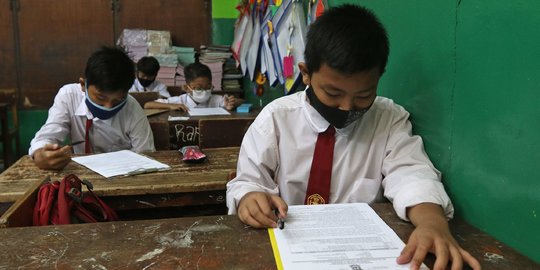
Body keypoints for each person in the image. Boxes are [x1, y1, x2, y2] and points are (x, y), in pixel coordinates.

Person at [226, 4, 481, 270]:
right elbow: (248, 181)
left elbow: (412, 174)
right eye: (333, 94)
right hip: (284, 249)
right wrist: (250, 197)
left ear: (378, 79)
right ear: (305, 73)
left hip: (361, 255)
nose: (347, 108)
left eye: (363, 96)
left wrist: (432, 223)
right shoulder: (276, 119)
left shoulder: (388, 120)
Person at [29, 46, 156, 170]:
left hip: (123, 174)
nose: (108, 107)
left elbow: (146, 155)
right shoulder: (68, 97)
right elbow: (48, 135)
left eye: (118, 100)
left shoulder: (132, 108)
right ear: (83, 85)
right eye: (100, 98)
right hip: (81, 175)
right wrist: (40, 154)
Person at [144, 62, 243, 111]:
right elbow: (147, 105)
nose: (204, 91)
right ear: (187, 88)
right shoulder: (181, 101)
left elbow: (241, 101)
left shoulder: (215, 100)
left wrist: (232, 103)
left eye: (208, 87)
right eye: (198, 88)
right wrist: (171, 106)